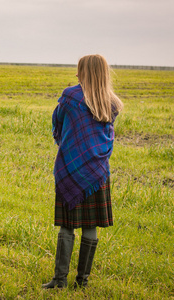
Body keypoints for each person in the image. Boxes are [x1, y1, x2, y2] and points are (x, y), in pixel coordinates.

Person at [42, 54, 123, 289]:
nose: (76, 74)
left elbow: (57, 124)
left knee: (67, 225)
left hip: (71, 168)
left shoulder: (70, 96)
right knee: (91, 227)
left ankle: (59, 281)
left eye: (79, 70)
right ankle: (82, 282)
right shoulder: (112, 103)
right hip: (98, 172)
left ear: (83, 72)